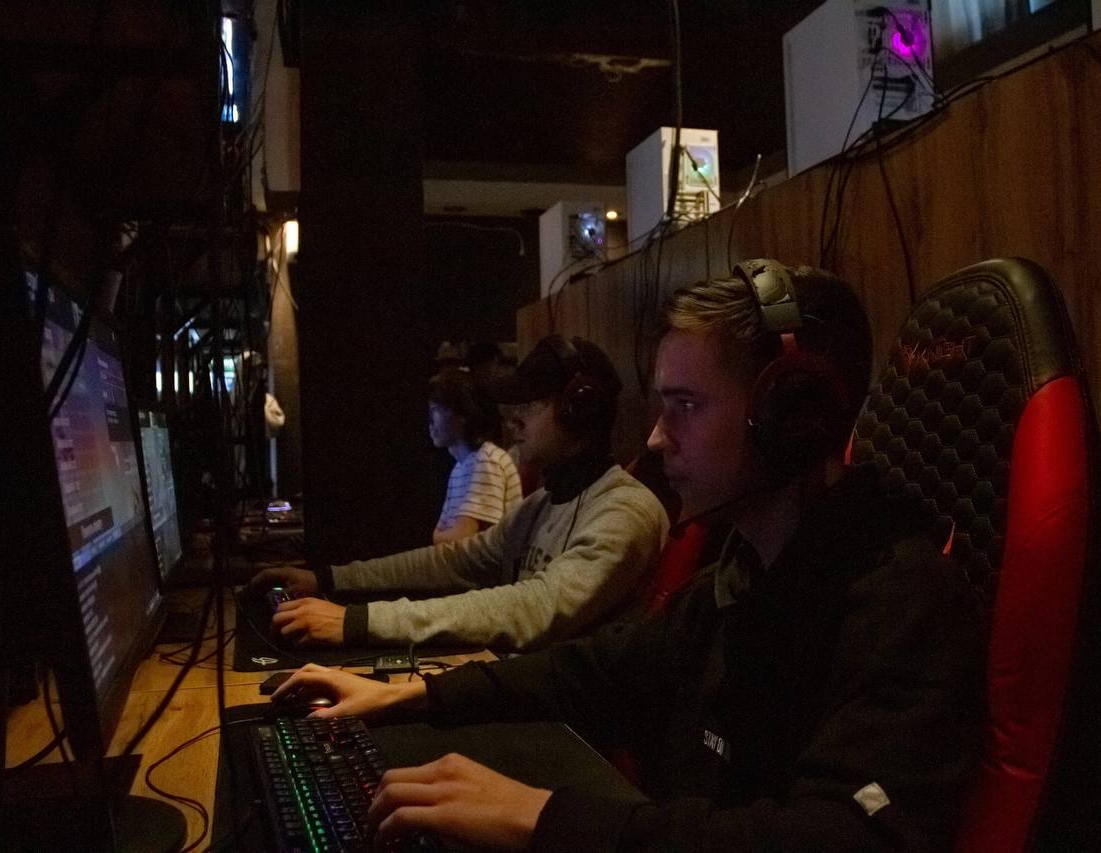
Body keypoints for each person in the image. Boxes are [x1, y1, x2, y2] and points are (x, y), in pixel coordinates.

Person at [274, 260, 986, 852]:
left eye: (685, 406)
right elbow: (597, 670)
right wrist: (412, 697)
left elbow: (839, 837)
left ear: (789, 417)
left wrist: (542, 817)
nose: (654, 439)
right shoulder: (744, 575)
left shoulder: (901, 600)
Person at [250, 334, 669, 652]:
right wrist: (328, 579)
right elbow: (452, 561)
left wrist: (356, 622)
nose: (514, 420)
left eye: (529, 405)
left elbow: (534, 607)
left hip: (574, 729)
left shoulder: (624, 512)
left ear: (579, 410)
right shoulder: (541, 505)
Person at [426, 368, 522, 544]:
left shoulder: (487, 460)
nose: (429, 421)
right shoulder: (460, 467)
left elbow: (463, 537)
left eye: (435, 409)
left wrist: (427, 537)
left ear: (462, 414)